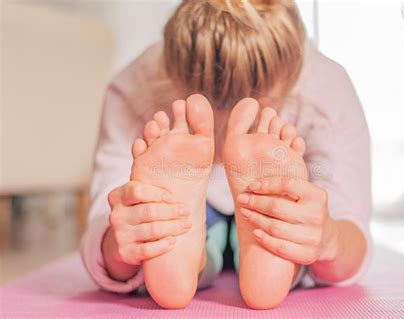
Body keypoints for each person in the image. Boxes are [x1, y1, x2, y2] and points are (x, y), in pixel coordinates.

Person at [81, 0, 372, 310]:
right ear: (171, 69)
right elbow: (107, 215)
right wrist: (125, 241)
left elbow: (349, 227)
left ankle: (237, 256)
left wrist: (327, 238)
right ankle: (192, 254)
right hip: (210, 203)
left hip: (270, 202)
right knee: (271, 227)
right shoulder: (134, 86)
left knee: (292, 228)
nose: (225, 130)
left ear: (293, 77)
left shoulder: (325, 89)